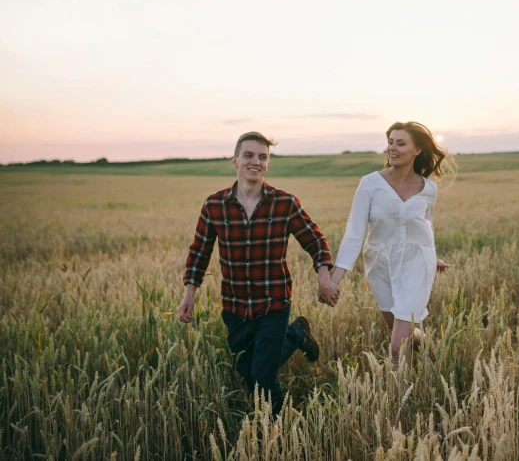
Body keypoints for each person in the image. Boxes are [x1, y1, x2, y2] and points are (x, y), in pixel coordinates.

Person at [177, 131, 340, 416]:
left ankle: (282, 435)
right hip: (235, 307)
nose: (256, 161)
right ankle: (297, 334)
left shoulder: (284, 203)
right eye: (249, 155)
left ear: (268, 164)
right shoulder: (214, 205)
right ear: (235, 160)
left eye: (263, 157)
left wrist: (324, 277)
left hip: (273, 304)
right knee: (249, 375)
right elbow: (200, 252)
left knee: (262, 381)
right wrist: (189, 293)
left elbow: (315, 240)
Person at [330, 121, 452, 367]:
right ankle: (428, 349)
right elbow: (354, 233)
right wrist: (333, 280)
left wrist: (432, 257)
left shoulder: (429, 189)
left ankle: (401, 402)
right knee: (402, 334)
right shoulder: (370, 184)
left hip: (417, 264)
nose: (392, 148)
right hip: (380, 264)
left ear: (417, 150)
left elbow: (425, 226)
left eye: (401, 143)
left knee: (398, 345)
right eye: (390, 142)